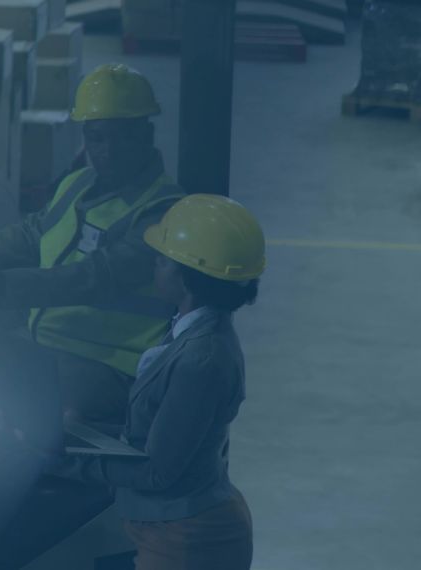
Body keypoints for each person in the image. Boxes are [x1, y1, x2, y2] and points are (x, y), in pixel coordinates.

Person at [0, 63, 185, 430]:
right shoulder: (79, 182)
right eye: (97, 137)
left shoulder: (161, 210)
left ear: (146, 134)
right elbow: (32, 233)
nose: (107, 150)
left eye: (122, 137)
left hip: (108, 366)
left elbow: (94, 277)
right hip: (48, 346)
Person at [45, 194, 266, 570]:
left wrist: (56, 459)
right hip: (173, 527)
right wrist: (79, 434)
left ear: (187, 275)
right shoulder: (192, 330)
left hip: (186, 540)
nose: (155, 266)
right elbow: (158, 432)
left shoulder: (202, 360)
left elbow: (156, 470)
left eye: (163, 259)